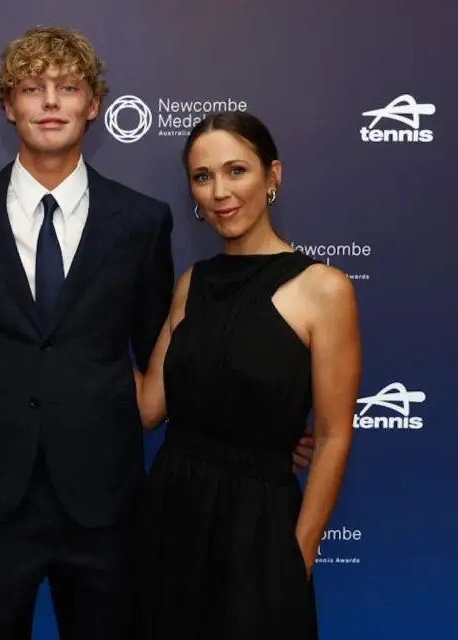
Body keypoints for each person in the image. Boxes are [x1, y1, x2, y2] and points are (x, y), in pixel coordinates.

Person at [0, 28, 312, 639]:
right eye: (32, 88)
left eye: (68, 87)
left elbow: (169, 360)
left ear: (94, 102)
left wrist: (253, 431)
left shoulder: (141, 221)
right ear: (6, 106)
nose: (50, 102)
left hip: (105, 504)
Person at [133, 111, 361, 638]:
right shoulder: (193, 282)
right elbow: (149, 407)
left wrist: (297, 555)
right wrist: (75, 333)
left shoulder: (323, 288)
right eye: (203, 176)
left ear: (273, 176)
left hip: (259, 532)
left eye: (236, 171)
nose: (219, 192)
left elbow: (332, 436)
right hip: (170, 520)